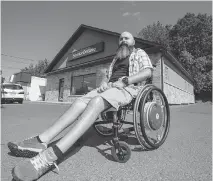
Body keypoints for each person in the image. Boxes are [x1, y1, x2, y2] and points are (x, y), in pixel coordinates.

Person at [9, 31, 153, 181]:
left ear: (133, 42)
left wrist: (126, 81)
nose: (123, 40)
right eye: (121, 38)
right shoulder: (116, 58)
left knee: (96, 102)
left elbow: (147, 72)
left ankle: (50, 157)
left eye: (126, 38)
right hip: (110, 88)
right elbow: (107, 76)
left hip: (128, 88)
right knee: (79, 102)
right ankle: (42, 140)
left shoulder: (139, 53)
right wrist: (104, 83)